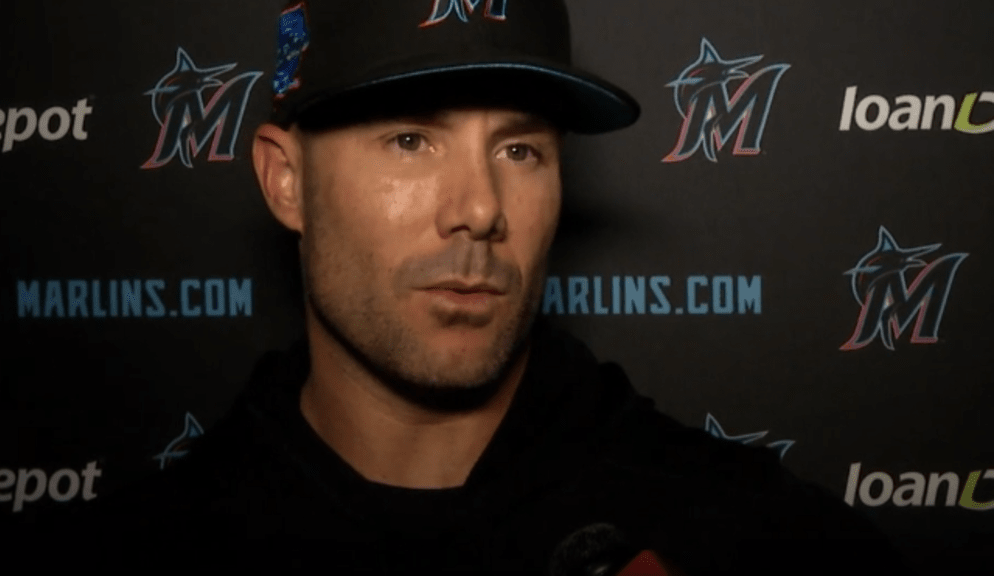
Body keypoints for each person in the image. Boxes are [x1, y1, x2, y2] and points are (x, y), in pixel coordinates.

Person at [76, 1, 910, 573]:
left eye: (520, 151)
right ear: (286, 182)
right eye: (410, 140)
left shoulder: (743, 536)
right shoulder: (146, 545)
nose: (479, 209)